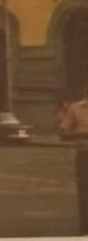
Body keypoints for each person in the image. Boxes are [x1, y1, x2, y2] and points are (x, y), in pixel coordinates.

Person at [59, 86, 88, 235]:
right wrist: (83, 134)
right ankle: (85, 230)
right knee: (85, 196)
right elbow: (63, 134)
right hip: (85, 155)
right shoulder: (75, 109)